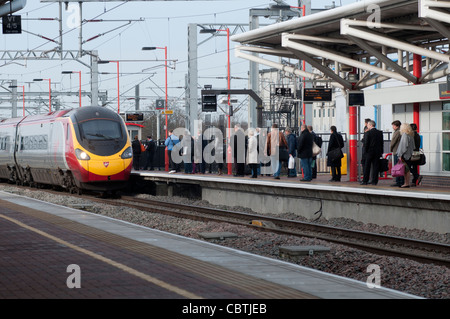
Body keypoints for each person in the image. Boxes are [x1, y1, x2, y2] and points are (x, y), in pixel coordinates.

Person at [361, 120, 383, 185]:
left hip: (369, 152)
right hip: (377, 152)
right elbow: (381, 143)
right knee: (375, 167)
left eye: (367, 125)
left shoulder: (368, 133)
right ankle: (374, 181)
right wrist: (381, 152)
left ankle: (365, 180)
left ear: (370, 125)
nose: (367, 126)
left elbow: (366, 143)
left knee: (367, 166)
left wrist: (365, 152)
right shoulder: (380, 132)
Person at [396, 123, 416, 188]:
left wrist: (400, 155)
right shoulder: (411, 135)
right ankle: (407, 183)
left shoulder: (405, 135)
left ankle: (406, 183)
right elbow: (413, 147)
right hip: (410, 155)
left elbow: (403, 146)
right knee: (408, 170)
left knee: (405, 170)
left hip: (405, 155)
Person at [389, 120, 403, 187]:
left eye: (393, 125)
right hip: (400, 151)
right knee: (400, 167)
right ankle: (401, 181)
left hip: (396, 151)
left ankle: (398, 181)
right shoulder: (402, 132)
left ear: (396, 126)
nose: (392, 127)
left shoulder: (397, 132)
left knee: (397, 167)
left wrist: (391, 149)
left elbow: (393, 142)